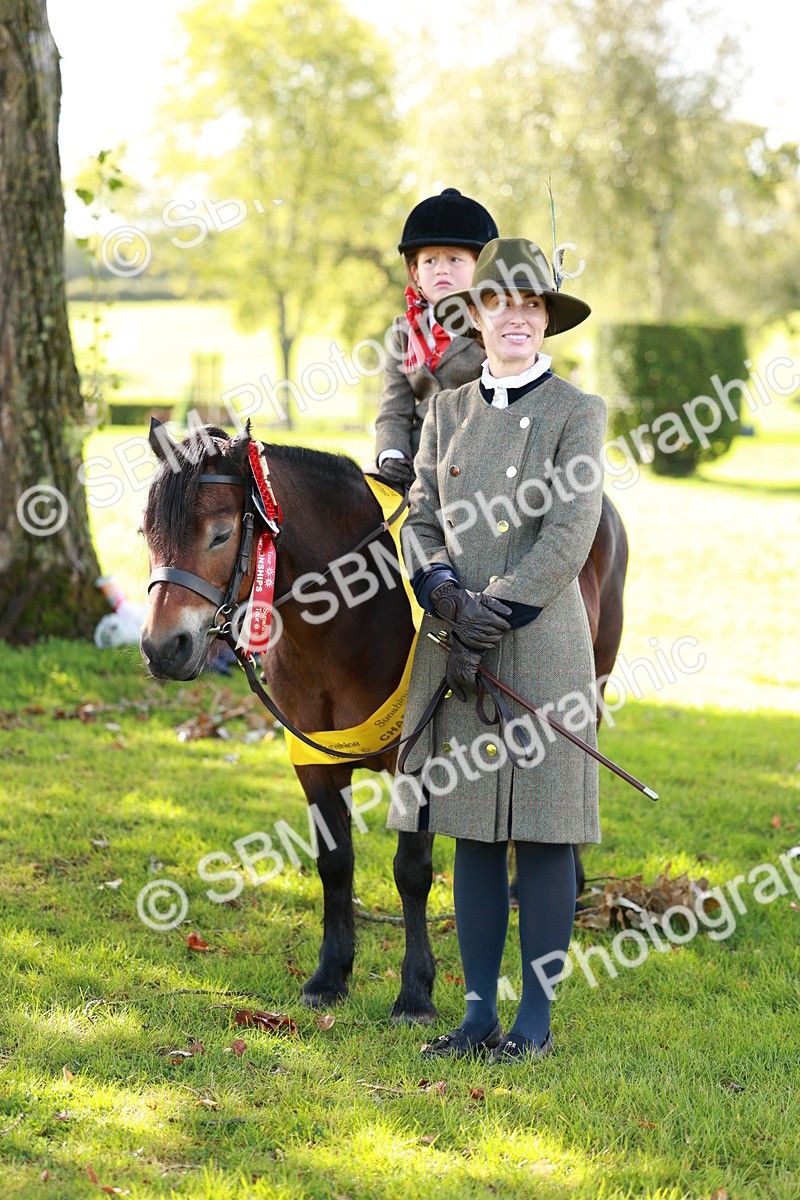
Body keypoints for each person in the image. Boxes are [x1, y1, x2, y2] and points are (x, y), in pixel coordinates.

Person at [387, 237, 606, 1063]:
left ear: (545, 320)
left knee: (545, 837)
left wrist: (495, 611)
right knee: (472, 831)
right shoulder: (445, 412)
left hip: (540, 647)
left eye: (530, 306)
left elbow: (568, 534)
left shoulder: (577, 414)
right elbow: (422, 514)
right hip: (453, 645)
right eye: (499, 304)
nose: (514, 318)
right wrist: (438, 587)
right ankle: (478, 1015)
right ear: (475, 319)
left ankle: (534, 1024)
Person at [374, 188, 498, 489]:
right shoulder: (404, 332)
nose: (441, 269)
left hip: (481, 458)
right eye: (430, 262)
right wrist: (391, 456)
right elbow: (394, 409)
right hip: (417, 462)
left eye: (455, 259)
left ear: (479, 268)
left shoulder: (495, 326)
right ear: (415, 273)